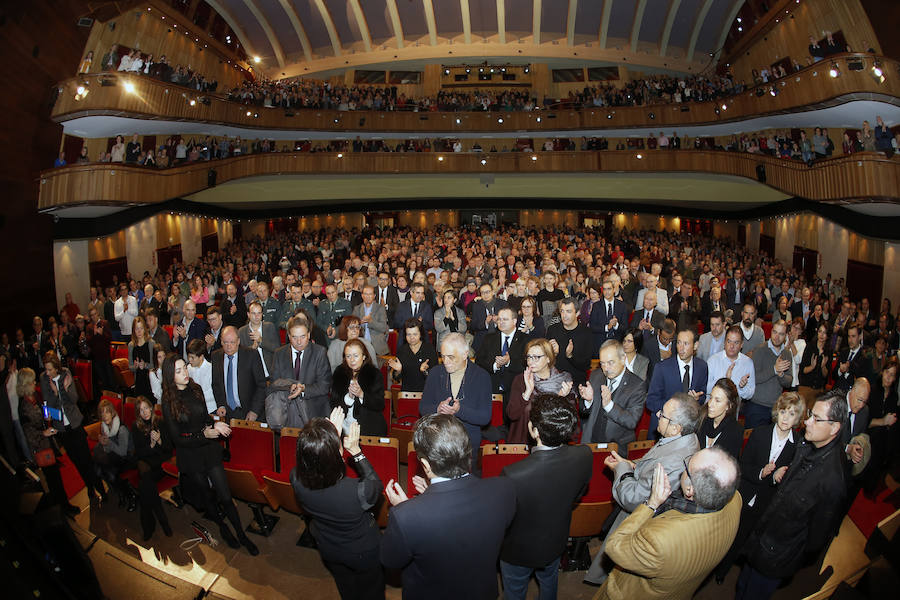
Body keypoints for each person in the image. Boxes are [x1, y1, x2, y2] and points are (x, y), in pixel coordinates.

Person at [381, 413, 516, 600]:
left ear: (426, 465)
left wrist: (408, 508)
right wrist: (426, 498)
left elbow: (390, 560)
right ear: (468, 452)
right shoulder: (504, 489)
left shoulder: (405, 515)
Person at [736, 390, 848, 600]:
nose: (807, 423)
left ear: (834, 428)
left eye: (816, 418)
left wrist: (785, 549)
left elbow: (815, 539)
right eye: (810, 415)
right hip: (761, 537)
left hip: (776, 556)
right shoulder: (806, 445)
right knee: (743, 585)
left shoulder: (833, 480)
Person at [583, 393, 701, 585]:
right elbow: (651, 463)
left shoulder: (674, 461)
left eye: (663, 414)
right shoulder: (684, 439)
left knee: (617, 580)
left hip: (640, 525)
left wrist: (620, 468)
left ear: (675, 428)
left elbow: (633, 498)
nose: (657, 414)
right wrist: (630, 463)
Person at [596, 447, 741, 600]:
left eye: (687, 466)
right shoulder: (735, 501)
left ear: (690, 489)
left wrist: (651, 504)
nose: (682, 469)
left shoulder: (660, 541)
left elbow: (615, 547)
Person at [161, 355, 258, 555]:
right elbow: (177, 439)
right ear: (170, 376)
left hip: (207, 447)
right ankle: (223, 528)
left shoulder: (195, 389)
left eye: (184, 368)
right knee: (207, 496)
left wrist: (215, 425)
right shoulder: (168, 400)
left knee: (224, 494)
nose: (185, 373)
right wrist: (203, 433)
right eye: (178, 371)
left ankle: (241, 533)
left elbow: (204, 418)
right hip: (190, 453)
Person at [500, 396, 592, 600]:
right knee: (549, 585)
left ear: (533, 430)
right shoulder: (585, 455)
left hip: (518, 553)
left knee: (514, 593)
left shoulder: (514, 473)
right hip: (556, 542)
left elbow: (504, 519)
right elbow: (578, 494)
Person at [292, 410, 384, 600]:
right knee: (372, 591)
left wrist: (328, 436)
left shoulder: (296, 478)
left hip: (328, 546)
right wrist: (356, 451)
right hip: (362, 551)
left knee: (346, 587)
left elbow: (316, 458)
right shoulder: (356, 491)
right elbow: (376, 485)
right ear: (338, 455)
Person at [716, 391, 804, 583]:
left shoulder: (797, 445)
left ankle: (732, 570)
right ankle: (720, 569)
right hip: (745, 494)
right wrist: (761, 473)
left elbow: (793, 481)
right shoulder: (760, 433)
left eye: (791, 414)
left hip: (767, 501)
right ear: (776, 412)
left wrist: (779, 477)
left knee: (749, 539)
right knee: (731, 535)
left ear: (797, 418)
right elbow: (743, 466)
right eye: (783, 412)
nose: (786, 418)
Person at [12, 366, 81, 516]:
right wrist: (44, 432)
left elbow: (44, 411)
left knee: (56, 477)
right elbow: (29, 434)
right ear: (25, 384)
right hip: (42, 448)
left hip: (49, 443)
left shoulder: (34, 397)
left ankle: (63, 505)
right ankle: (62, 508)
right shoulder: (23, 406)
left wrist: (50, 417)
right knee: (53, 479)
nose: (35, 383)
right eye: (32, 382)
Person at [40, 351, 105, 504]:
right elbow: (47, 403)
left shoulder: (66, 373)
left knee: (86, 459)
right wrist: (54, 398)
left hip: (75, 423)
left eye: (50, 369)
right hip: (61, 427)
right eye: (46, 369)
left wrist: (62, 390)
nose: (47, 372)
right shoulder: (44, 379)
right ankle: (90, 487)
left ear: (57, 368)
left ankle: (99, 486)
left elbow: (74, 399)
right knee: (76, 461)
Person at [419, 333, 492, 466]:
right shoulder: (435, 373)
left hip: (468, 444)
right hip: (438, 443)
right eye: (443, 356)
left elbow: (484, 417)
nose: (446, 361)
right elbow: (423, 408)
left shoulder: (482, 376)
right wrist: (437, 409)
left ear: (465, 354)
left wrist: (459, 410)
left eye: (451, 357)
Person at [578, 339, 647, 454]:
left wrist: (609, 405)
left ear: (623, 359)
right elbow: (583, 414)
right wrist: (588, 401)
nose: (606, 368)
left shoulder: (637, 385)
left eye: (610, 362)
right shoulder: (595, 376)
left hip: (616, 448)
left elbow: (631, 421)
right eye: (602, 363)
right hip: (591, 443)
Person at [506, 338, 574, 444]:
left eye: (537, 357)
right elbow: (512, 415)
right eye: (529, 357)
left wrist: (560, 399)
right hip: (524, 442)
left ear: (548, 358)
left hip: (554, 443)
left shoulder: (562, 380)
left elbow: (570, 421)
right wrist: (527, 392)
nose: (531, 361)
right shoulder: (521, 380)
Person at [644, 328, 708, 438]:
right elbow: (651, 401)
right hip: (664, 431)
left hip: (689, 432)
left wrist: (696, 400)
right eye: (678, 343)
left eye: (686, 344)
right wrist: (674, 409)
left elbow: (703, 396)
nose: (681, 348)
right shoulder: (662, 368)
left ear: (695, 346)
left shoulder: (702, 367)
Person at [269, 318, 333, 419]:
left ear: (308, 335)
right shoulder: (279, 353)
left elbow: (324, 386)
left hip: (314, 413)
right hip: (287, 412)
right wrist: (290, 387)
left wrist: (303, 389)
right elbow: (274, 383)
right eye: (294, 337)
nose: (299, 341)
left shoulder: (319, 352)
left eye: (303, 336)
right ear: (289, 336)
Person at [130, 395, 173, 541]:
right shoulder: (136, 427)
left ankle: (149, 526)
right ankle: (163, 520)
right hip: (147, 465)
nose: (145, 412)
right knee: (147, 485)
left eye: (146, 408)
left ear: (151, 407)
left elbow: (169, 449)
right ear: (138, 413)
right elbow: (139, 453)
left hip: (161, 465)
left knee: (144, 487)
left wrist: (160, 440)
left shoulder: (160, 422)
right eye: (141, 410)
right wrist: (152, 445)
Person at [210, 326, 267, 422]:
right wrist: (221, 405)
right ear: (220, 341)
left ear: (238, 341)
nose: (228, 346)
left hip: (249, 411)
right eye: (225, 342)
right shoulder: (216, 356)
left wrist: (254, 411)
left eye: (232, 342)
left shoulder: (251, 355)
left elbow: (261, 386)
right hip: (227, 412)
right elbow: (216, 384)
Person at [330, 339, 386, 436]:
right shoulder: (339, 372)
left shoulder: (373, 373)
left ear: (364, 356)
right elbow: (334, 402)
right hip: (343, 426)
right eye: (348, 356)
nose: (352, 360)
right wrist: (349, 398)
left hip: (368, 427)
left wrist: (361, 395)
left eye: (356, 356)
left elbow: (379, 404)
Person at [745, 320, 793, 428]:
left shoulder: (787, 353)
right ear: (771, 331)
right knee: (753, 442)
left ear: (785, 336)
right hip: (757, 406)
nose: (777, 336)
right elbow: (754, 378)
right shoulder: (759, 349)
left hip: (776, 408)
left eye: (781, 334)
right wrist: (774, 370)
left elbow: (789, 382)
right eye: (775, 332)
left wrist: (781, 375)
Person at [474, 306, 527, 402]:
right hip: (492, 389)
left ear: (514, 321)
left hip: (515, 390)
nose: (501, 322)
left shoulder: (525, 340)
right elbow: (479, 361)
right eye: (499, 319)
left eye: (505, 319)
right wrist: (495, 365)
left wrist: (509, 362)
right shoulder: (489, 338)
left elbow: (527, 364)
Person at [92, 398, 135, 511]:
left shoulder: (121, 429)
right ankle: (120, 492)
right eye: (102, 412)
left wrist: (108, 443)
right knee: (98, 470)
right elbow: (108, 449)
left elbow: (122, 451)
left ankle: (130, 495)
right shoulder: (104, 426)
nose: (105, 415)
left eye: (107, 412)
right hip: (115, 456)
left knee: (111, 473)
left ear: (112, 413)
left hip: (128, 457)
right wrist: (104, 443)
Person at [546, 297, 593, 386]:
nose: (564, 315)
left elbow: (586, 365)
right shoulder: (552, 330)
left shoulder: (586, 333)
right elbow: (545, 360)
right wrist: (554, 354)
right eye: (562, 311)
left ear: (577, 313)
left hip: (576, 382)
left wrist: (570, 356)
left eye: (568, 311)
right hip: (555, 381)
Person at [706, 325, 756, 402]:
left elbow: (750, 394)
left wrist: (742, 387)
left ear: (741, 344)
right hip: (712, 407)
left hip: (733, 409)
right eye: (729, 341)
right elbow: (706, 389)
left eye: (736, 342)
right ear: (724, 342)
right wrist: (725, 380)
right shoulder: (713, 360)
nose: (732, 346)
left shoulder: (747, 363)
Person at [387, 318, 439, 393]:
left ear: (420, 333)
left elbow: (436, 377)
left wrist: (425, 371)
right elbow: (396, 379)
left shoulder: (429, 349)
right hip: (406, 394)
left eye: (415, 334)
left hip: (425, 393)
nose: (412, 337)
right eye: (409, 334)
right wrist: (398, 371)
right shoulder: (402, 350)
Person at [698, 378, 744, 457]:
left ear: (729, 406)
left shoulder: (735, 432)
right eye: (711, 398)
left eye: (717, 400)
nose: (710, 404)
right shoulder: (701, 418)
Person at [238, 300, 279, 377]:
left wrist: (261, 341)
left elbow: (277, 348)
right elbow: (240, 355)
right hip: (251, 375)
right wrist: (252, 348)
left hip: (270, 373)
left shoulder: (270, 326)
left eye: (259, 313)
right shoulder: (242, 331)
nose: (256, 316)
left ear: (262, 314)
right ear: (248, 314)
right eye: (253, 313)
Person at [590, 279, 630, 354]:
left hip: (617, 342)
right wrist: (607, 327)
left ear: (614, 290)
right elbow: (592, 327)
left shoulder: (622, 306)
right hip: (600, 342)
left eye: (609, 289)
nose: (607, 291)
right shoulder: (596, 306)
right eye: (604, 289)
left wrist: (616, 325)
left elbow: (625, 327)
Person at [798, 322, 831, 407]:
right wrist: (812, 367)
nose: (822, 335)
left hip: (819, 390)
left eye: (824, 332)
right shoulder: (810, 347)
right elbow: (802, 370)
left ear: (827, 335)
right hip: (806, 387)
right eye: (820, 331)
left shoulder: (829, 351)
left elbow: (826, 375)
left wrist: (823, 366)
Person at [352, 285, 390, 357]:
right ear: (362, 295)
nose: (368, 296)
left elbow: (383, 328)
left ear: (374, 296)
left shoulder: (380, 308)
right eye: (366, 294)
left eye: (370, 294)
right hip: (361, 345)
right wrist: (360, 323)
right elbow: (352, 327)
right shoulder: (357, 309)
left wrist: (370, 321)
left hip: (377, 346)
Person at [128, 316, 155, 399]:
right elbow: (130, 367)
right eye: (136, 329)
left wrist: (145, 365)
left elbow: (154, 365)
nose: (139, 331)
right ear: (133, 331)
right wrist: (135, 366)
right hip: (138, 381)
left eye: (141, 328)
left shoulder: (151, 343)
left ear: (145, 329)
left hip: (150, 381)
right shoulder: (131, 345)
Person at [187, 339, 215, 413]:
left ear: (201, 357)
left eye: (192, 357)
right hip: (193, 408)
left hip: (210, 408)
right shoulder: (188, 368)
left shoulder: (211, 369)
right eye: (188, 357)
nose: (190, 360)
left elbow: (212, 392)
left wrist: (196, 397)